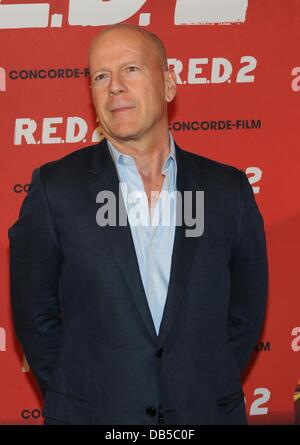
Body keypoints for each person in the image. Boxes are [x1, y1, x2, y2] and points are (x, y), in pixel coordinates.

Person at [8, 24, 268, 425]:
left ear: (168, 84)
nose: (114, 87)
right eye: (100, 76)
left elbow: (245, 310)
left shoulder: (226, 190)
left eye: (130, 69)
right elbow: (34, 314)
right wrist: (81, 392)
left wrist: (200, 381)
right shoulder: (56, 188)